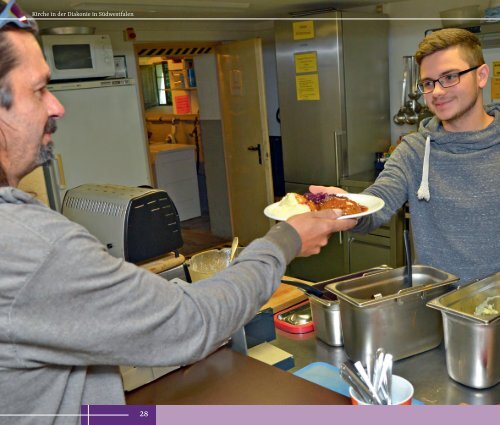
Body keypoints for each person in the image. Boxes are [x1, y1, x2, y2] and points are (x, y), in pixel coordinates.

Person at [0, 1, 356, 423]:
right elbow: (191, 321)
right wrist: (286, 239)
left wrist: (134, 417)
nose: (56, 106)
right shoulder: (32, 246)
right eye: (39, 89)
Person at [312, 27, 499, 285]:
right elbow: (378, 203)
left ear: (481, 75)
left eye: (450, 77)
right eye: (428, 83)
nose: (437, 92)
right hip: (434, 306)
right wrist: (346, 206)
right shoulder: (414, 150)